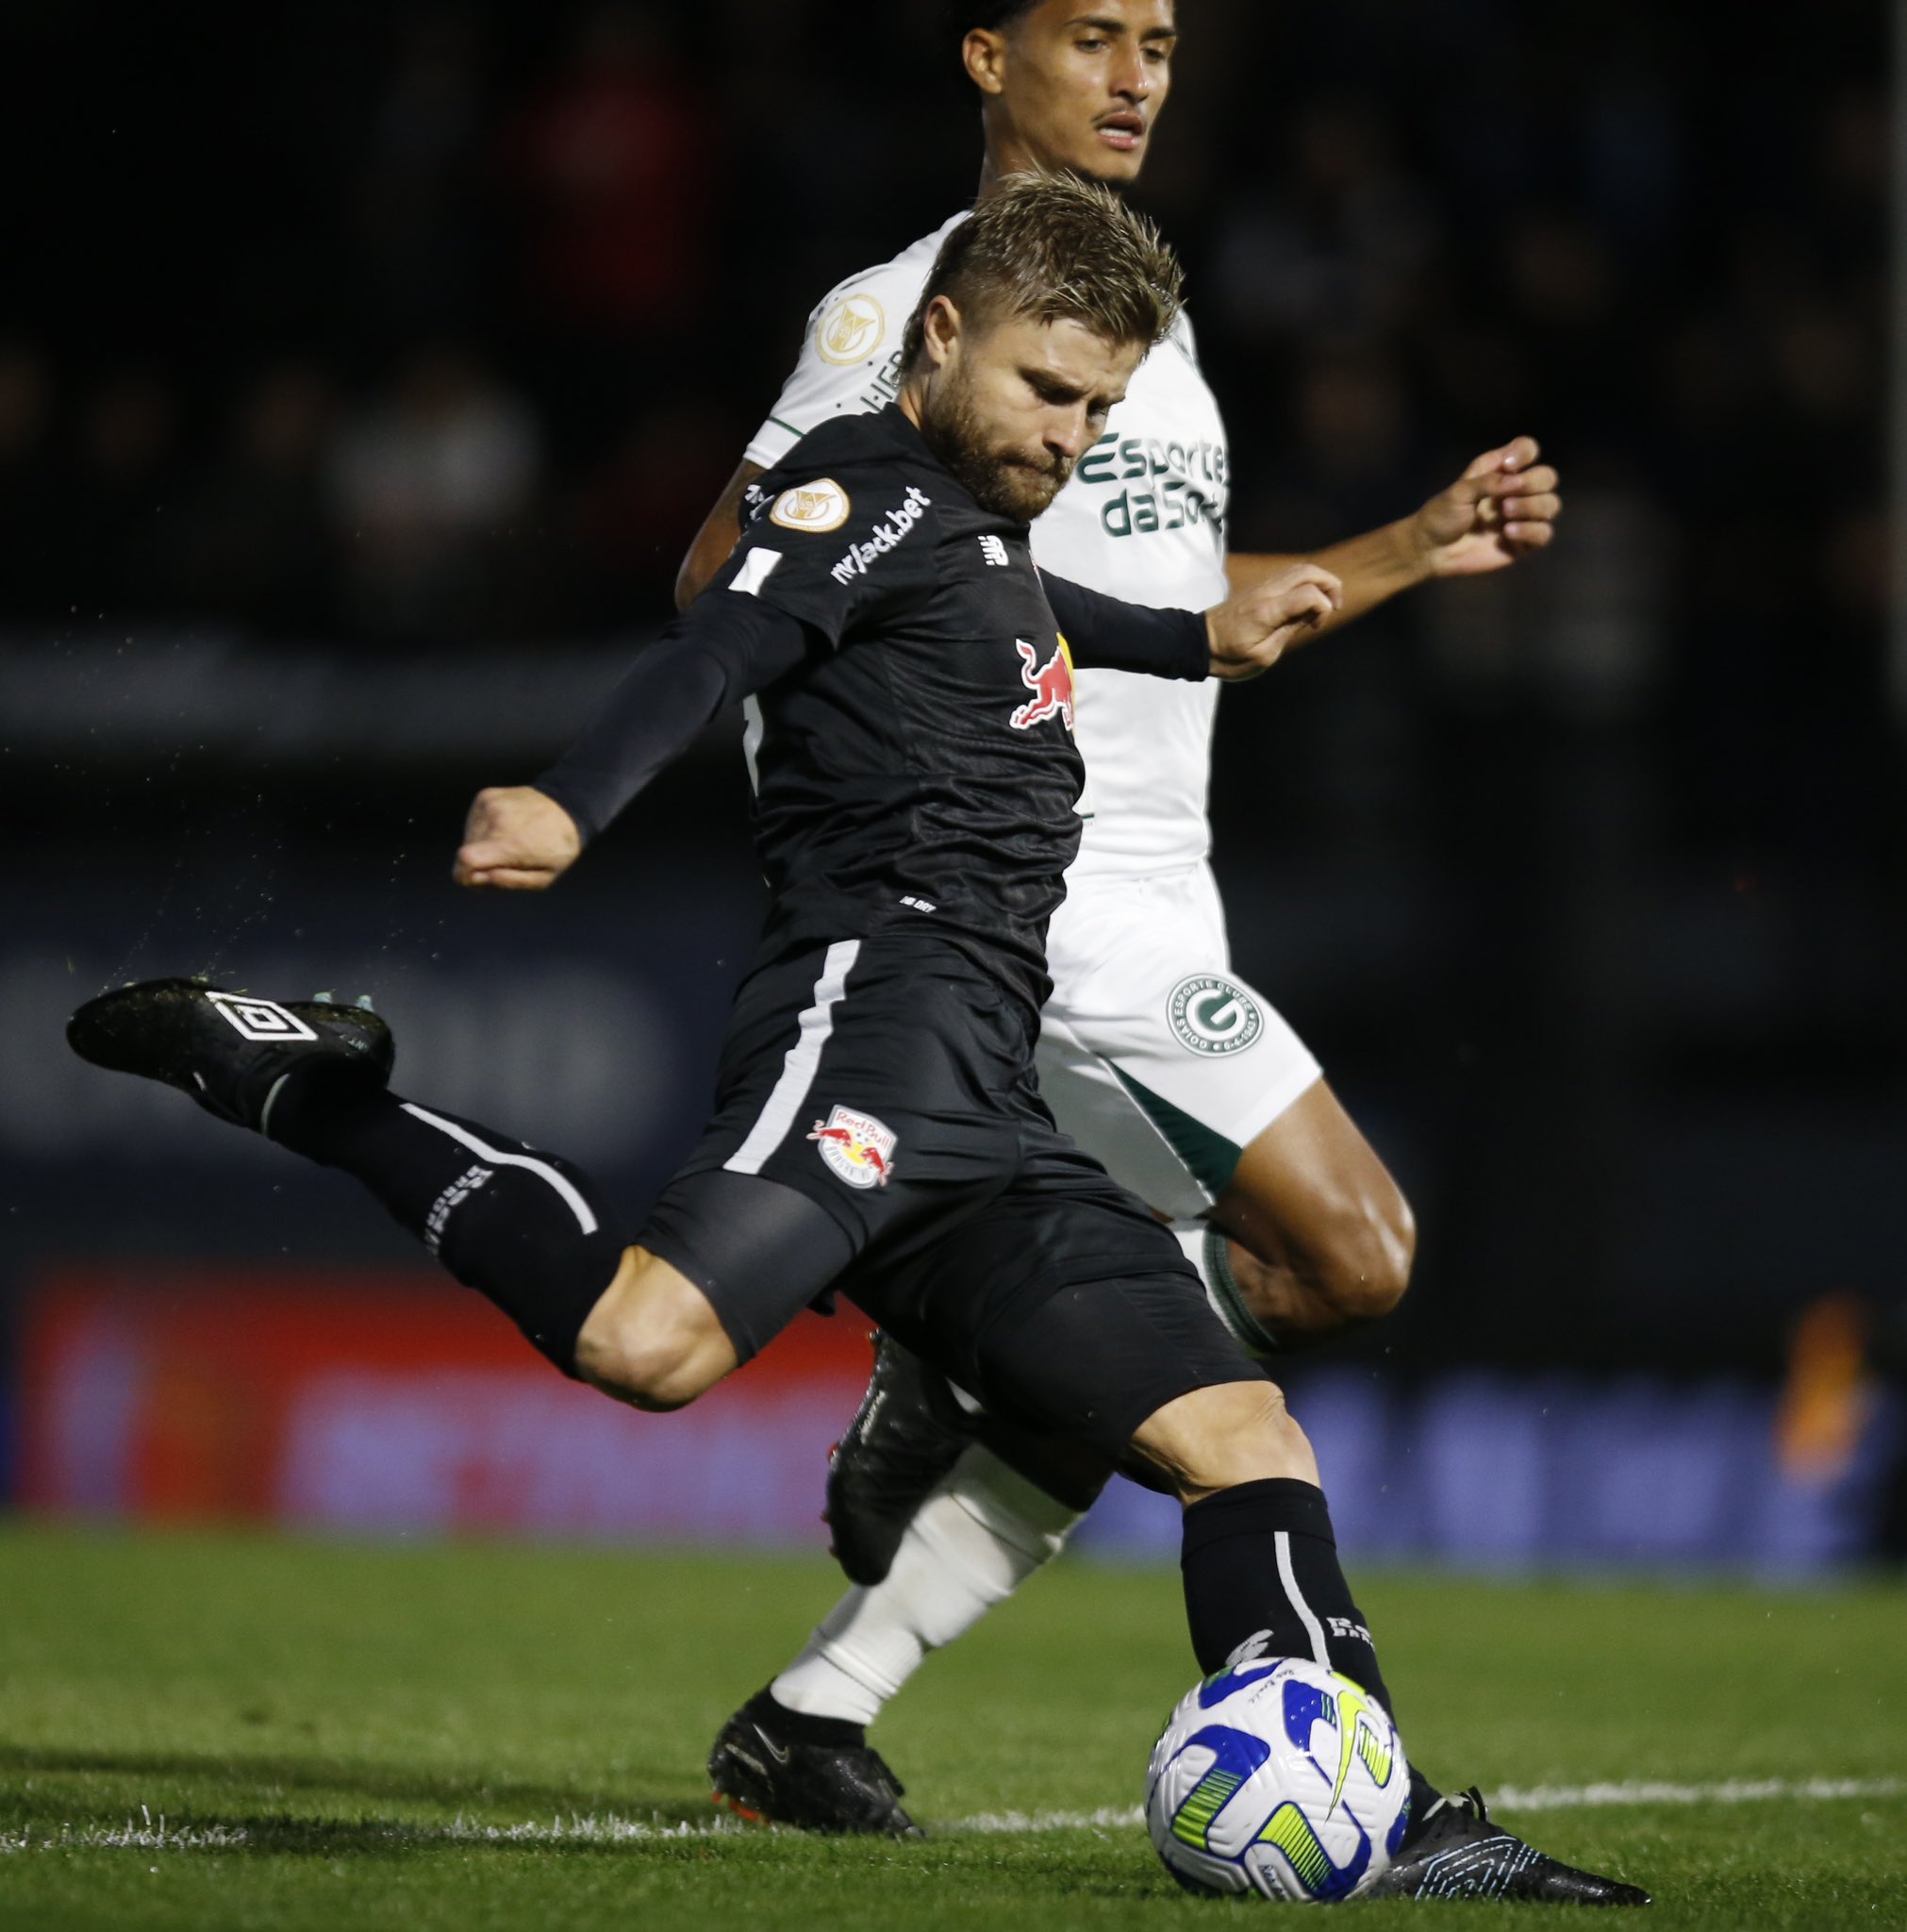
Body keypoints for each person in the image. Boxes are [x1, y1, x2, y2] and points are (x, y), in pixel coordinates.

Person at [66, 174, 1644, 1907]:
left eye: (1100, 407)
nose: (1070, 436)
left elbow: (1028, 613)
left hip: (996, 1104)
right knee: (643, 1348)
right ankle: (315, 1088)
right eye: (1048, 391)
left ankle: (1389, 1814)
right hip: (867, 1036)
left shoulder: (974, 530)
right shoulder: (851, 490)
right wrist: (572, 801)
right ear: (941, 335)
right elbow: (714, 648)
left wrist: (1201, 636)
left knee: (1245, 1440)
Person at [680, 6, 1591, 1900]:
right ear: (983, 56)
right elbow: (733, 568)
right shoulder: (904, 313)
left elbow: (1174, 612)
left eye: (1161, 41)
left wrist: (1408, 547)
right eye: (1091, 35)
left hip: (1173, 882)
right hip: (1042, 887)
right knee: (1353, 1245)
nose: (1135, 76)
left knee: (1156, 1342)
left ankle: (825, 1699)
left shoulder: (1142, 330)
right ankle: (1367, 1789)